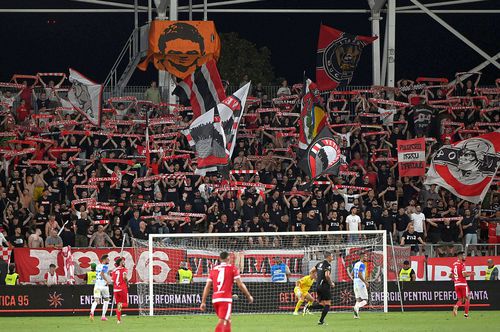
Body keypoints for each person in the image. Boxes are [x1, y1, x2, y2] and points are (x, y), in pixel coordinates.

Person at [200, 251, 254, 332]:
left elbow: (207, 286)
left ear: (220, 259)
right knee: (223, 320)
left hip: (215, 299)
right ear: (228, 258)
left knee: (227, 320)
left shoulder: (213, 270)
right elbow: (240, 284)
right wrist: (248, 296)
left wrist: (203, 301)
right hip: (225, 299)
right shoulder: (232, 268)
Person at [312, 251, 335, 326]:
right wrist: (331, 283)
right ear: (328, 257)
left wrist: (316, 280)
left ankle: (308, 307)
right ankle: (321, 321)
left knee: (322, 304)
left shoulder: (319, 264)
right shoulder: (327, 265)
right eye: (332, 256)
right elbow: (327, 275)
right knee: (328, 304)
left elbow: (311, 271)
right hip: (325, 286)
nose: (332, 258)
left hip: (318, 285)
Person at [450, 251, 475, 318]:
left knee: (461, 299)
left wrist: (456, 277)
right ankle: (466, 315)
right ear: (460, 257)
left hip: (456, 284)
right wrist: (471, 274)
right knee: (467, 298)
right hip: (463, 284)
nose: (465, 257)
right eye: (463, 256)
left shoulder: (454, 264)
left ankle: (456, 306)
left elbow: (450, 275)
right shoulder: (462, 264)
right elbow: (464, 274)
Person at [90, 254, 112, 321]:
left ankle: (92, 312)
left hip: (97, 286)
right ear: (104, 260)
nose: (109, 260)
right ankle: (103, 316)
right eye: (108, 259)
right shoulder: (105, 266)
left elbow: (100, 273)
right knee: (106, 300)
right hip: (104, 286)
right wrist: (107, 281)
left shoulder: (97, 266)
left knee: (96, 300)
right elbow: (102, 274)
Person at [111, 257, 129, 324]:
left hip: (115, 289)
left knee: (118, 305)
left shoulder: (114, 270)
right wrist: (127, 282)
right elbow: (124, 277)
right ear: (121, 263)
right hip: (122, 288)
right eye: (123, 261)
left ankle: (118, 320)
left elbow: (112, 281)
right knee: (126, 304)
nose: (124, 262)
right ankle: (121, 305)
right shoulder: (124, 269)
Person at [352, 252, 369, 319]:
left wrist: (354, 280)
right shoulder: (362, 265)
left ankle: (355, 315)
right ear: (362, 257)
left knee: (358, 299)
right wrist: (365, 282)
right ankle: (357, 307)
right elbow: (359, 274)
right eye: (365, 256)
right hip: (360, 283)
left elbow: (352, 273)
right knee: (365, 300)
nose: (366, 258)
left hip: (355, 282)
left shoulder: (356, 264)